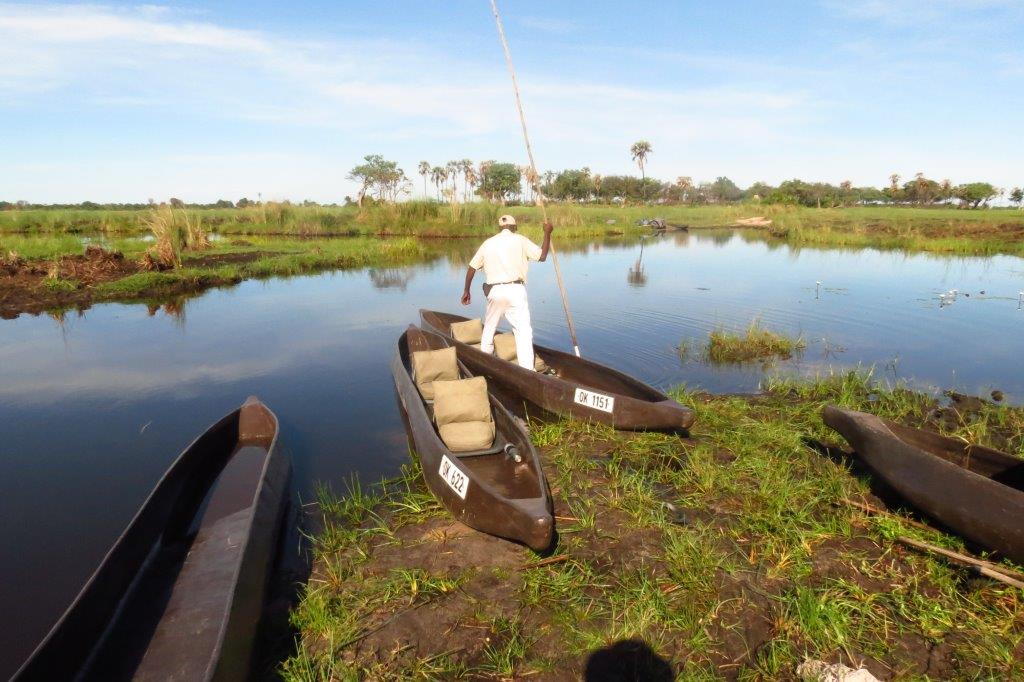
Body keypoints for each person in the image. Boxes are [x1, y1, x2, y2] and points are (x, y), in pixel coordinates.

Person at [461, 214, 553, 370]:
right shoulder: (520, 240)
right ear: (514, 227)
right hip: (516, 290)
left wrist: (466, 290)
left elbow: (472, 268)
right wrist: (547, 233)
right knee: (523, 331)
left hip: (495, 291)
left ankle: (485, 363)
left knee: (489, 328)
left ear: (500, 228)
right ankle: (527, 371)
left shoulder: (488, 243)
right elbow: (542, 256)